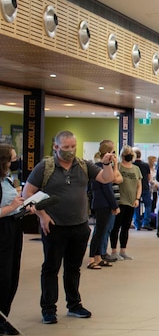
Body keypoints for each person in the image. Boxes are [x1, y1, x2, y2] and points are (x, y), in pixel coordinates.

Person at [23, 130, 118, 324]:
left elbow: (106, 178)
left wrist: (107, 163)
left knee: (73, 268)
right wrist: (42, 216)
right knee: (51, 268)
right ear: (56, 147)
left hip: (79, 226)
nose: (70, 151)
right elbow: (27, 193)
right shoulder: (45, 167)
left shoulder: (83, 165)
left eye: (73, 147)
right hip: (54, 227)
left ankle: (74, 304)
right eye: (66, 147)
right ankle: (48, 309)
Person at [0, 144, 26, 336]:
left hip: (14, 227)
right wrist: (12, 207)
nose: (15, 162)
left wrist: (23, 205)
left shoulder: (7, 179)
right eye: (12, 159)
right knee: (2, 276)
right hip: (2, 229)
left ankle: (3, 317)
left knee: (12, 275)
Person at [107, 145, 142, 261]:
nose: (129, 155)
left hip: (131, 202)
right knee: (116, 227)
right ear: (122, 155)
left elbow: (139, 185)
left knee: (126, 227)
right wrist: (116, 164)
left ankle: (123, 251)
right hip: (119, 201)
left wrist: (137, 198)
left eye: (130, 153)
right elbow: (114, 178)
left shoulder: (136, 169)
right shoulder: (118, 167)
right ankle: (113, 251)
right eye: (127, 153)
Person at [132, 148, 154, 231]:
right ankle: (146, 222)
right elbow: (149, 177)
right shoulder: (145, 165)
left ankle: (137, 224)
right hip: (145, 187)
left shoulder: (132, 165)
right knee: (148, 205)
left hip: (135, 188)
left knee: (136, 206)